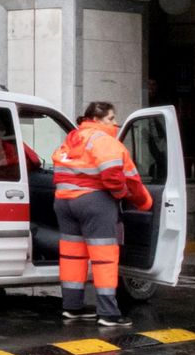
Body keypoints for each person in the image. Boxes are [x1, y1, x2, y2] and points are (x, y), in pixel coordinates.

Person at [52, 101, 152, 327]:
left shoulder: (72, 138)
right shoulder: (104, 141)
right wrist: (137, 199)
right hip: (94, 202)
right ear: (96, 120)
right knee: (104, 258)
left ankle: (72, 307)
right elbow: (121, 177)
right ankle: (108, 314)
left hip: (64, 202)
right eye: (111, 118)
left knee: (72, 257)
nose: (115, 123)